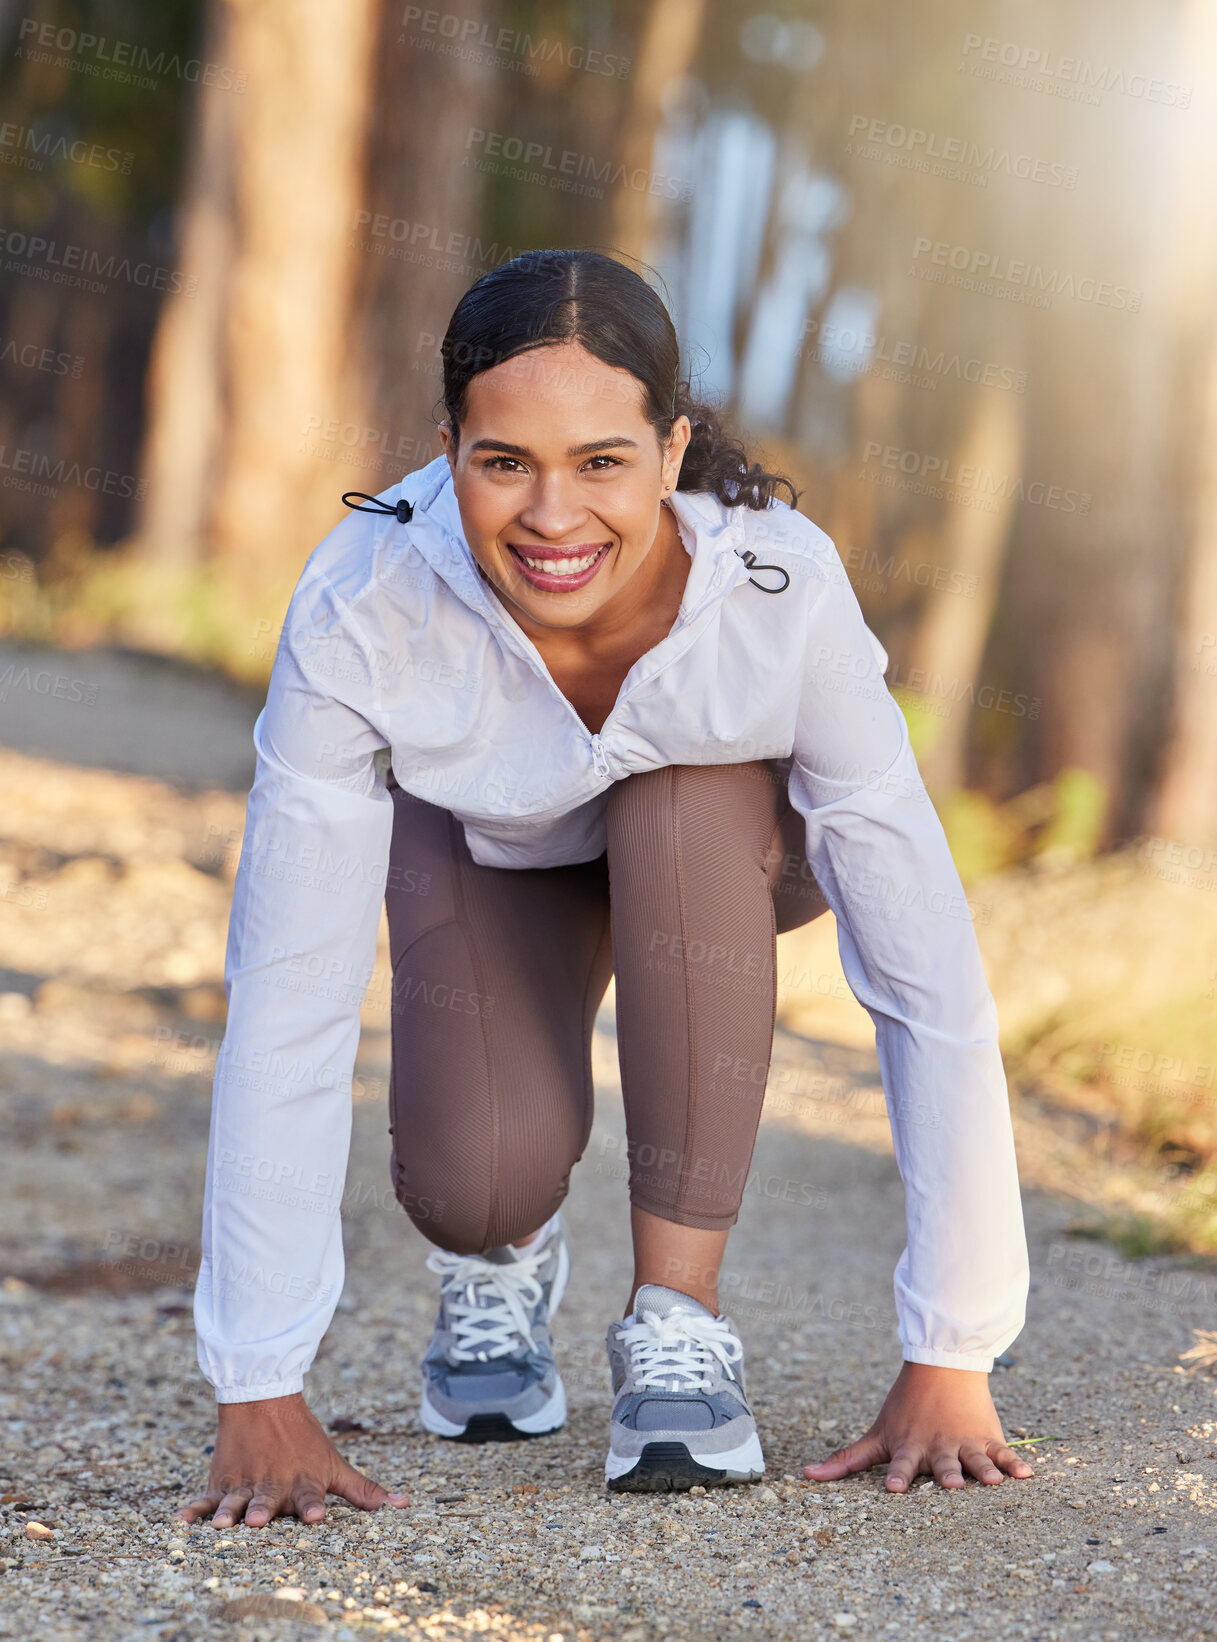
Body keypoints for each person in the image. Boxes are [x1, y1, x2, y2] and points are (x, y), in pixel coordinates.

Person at [176, 248, 1032, 1531]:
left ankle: (676, 1324)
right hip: (492, 847)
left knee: (678, 799)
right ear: (447, 447)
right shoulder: (364, 602)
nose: (552, 516)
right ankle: (505, 1260)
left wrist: (953, 1349)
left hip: (717, 860)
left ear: (672, 448)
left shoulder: (777, 592)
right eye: (503, 461)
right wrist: (257, 1385)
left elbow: (923, 974)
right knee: (474, 1181)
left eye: (600, 461)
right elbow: (287, 998)